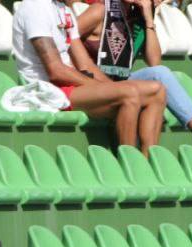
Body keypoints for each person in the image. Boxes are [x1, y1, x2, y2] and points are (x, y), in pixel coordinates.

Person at [12, 0, 167, 153]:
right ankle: (131, 165)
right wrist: (104, 87)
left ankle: (147, 164)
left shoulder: (63, 10)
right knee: (130, 94)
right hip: (47, 90)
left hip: (69, 87)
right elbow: (55, 71)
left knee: (157, 91)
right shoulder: (35, 7)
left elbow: (86, 64)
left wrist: (112, 87)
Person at [76, 0, 192, 144]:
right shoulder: (100, 10)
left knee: (160, 73)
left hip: (121, 81)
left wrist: (148, 19)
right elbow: (66, 40)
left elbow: (154, 61)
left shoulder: (136, 17)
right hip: (93, 84)